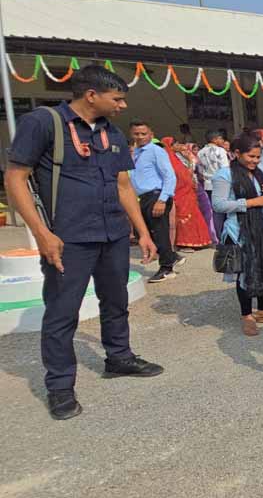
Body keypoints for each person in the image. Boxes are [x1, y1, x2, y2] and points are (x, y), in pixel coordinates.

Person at [4, 65, 163, 420]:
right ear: (92, 95)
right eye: (117, 98)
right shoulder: (44, 123)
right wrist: (42, 234)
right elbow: (15, 178)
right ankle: (60, 387)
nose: (122, 106)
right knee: (63, 313)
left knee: (116, 301)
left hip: (112, 235)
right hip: (68, 239)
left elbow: (123, 185)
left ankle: (119, 357)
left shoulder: (112, 133)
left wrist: (142, 231)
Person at [212, 134, 263, 337]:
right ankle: (246, 315)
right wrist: (251, 202)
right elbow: (218, 204)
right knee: (246, 272)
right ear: (237, 153)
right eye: (251, 156)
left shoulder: (259, 174)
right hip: (240, 232)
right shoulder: (225, 174)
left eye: (258, 157)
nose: (255, 161)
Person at [129, 119, 181, 283]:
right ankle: (171, 256)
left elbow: (169, 176)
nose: (140, 137)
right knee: (141, 232)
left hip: (156, 195)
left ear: (151, 134)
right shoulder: (136, 152)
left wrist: (162, 199)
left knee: (159, 232)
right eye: (136, 134)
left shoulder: (156, 151)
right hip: (143, 197)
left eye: (143, 133)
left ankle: (167, 267)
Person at [165, 136, 212, 250]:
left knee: (194, 215)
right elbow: (178, 176)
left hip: (187, 192)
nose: (178, 146)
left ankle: (196, 241)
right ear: (170, 146)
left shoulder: (177, 158)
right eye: (175, 144)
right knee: (183, 217)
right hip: (179, 192)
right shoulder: (168, 160)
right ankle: (183, 243)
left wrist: (190, 161)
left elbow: (187, 174)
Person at [198, 129, 230, 234]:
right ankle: (223, 234)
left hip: (208, 184)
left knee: (213, 211)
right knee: (222, 210)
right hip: (221, 183)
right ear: (215, 139)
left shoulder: (200, 152)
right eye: (221, 138)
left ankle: (215, 234)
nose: (223, 140)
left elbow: (200, 170)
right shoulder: (220, 151)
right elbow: (225, 168)